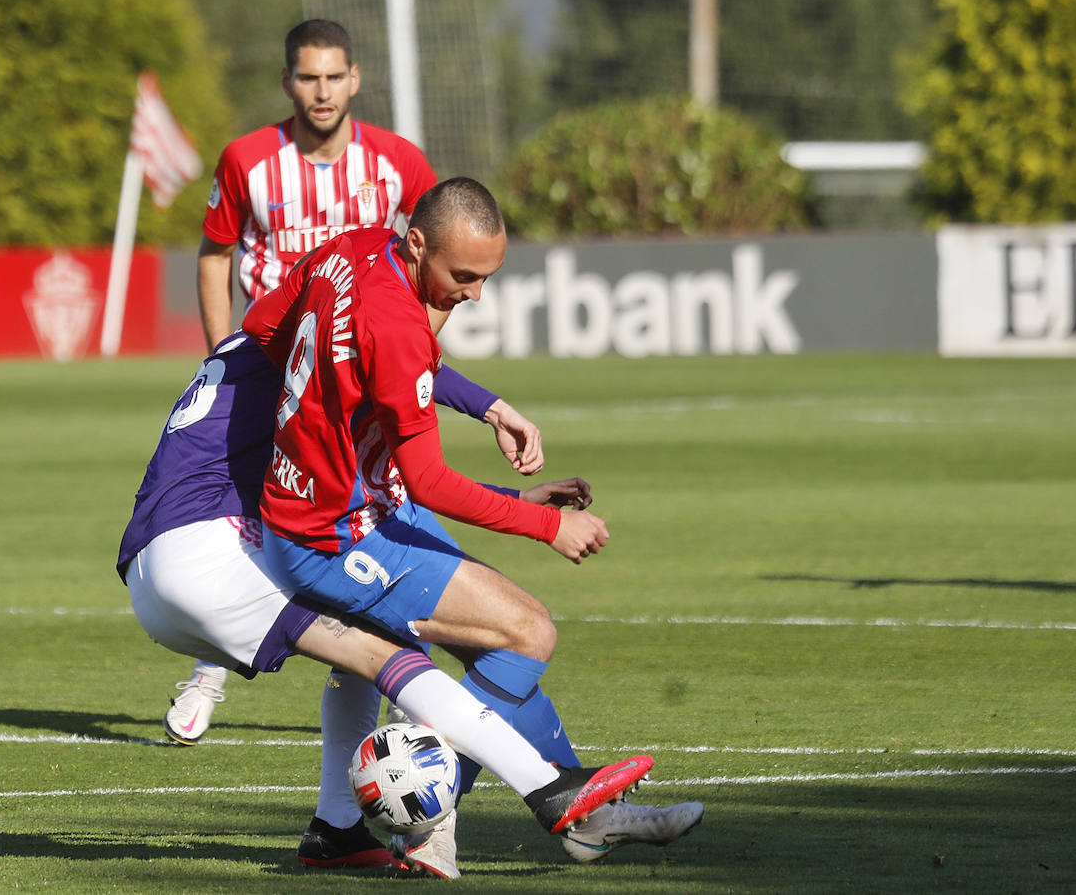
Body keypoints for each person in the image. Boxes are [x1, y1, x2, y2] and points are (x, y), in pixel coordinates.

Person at [241, 177, 703, 876]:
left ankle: (581, 818)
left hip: (350, 506)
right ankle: (425, 813)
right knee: (528, 631)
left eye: (488, 276)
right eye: (463, 276)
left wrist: (485, 406)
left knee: (495, 646)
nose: (475, 293)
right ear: (419, 241)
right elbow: (427, 474)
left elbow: (266, 329)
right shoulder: (398, 322)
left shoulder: (355, 250)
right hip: (333, 537)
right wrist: (545, 526)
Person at [117, 333, 697, 874]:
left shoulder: (264, 343)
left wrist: (511, 486)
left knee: (371, 642)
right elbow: (403, 415)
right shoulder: (321, 345)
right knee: (396, 654)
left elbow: (376, 474)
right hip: (209, 551)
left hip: (157, 559)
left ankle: (338, 828)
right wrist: (522, 485)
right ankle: (546, 793)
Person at [165, 17, 439, 743]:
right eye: (307, 78)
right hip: (270, 373)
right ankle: (211, 669)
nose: (321, 92)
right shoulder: (249, 160)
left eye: (333, 77)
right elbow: (214, 253)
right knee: (242, 511)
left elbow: (436, 259)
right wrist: (221, 351)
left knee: (376, 510)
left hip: (358, 382)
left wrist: (420, 350)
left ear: (355, 79)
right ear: (288, 82)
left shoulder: (399, 165)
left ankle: (396, 676)